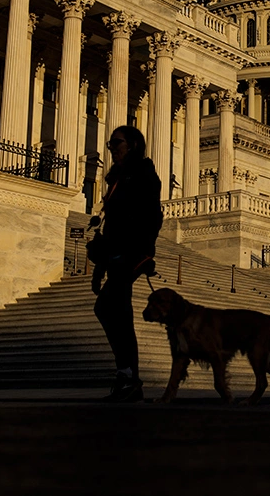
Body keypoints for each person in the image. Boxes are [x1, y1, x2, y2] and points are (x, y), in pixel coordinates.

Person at [90, 125, 162, 403]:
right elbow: (111, 228)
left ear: (132, 144)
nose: (113, 148)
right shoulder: (117, 177)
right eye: (110, 144)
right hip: (115, 253)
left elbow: (152, 217)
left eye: (117, 143)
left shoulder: (143, 173)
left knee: (110, 308)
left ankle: (128, 375)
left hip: (130, 254)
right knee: (115, 311)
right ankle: (128, 375)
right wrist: (98, 268)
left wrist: (145, 253)